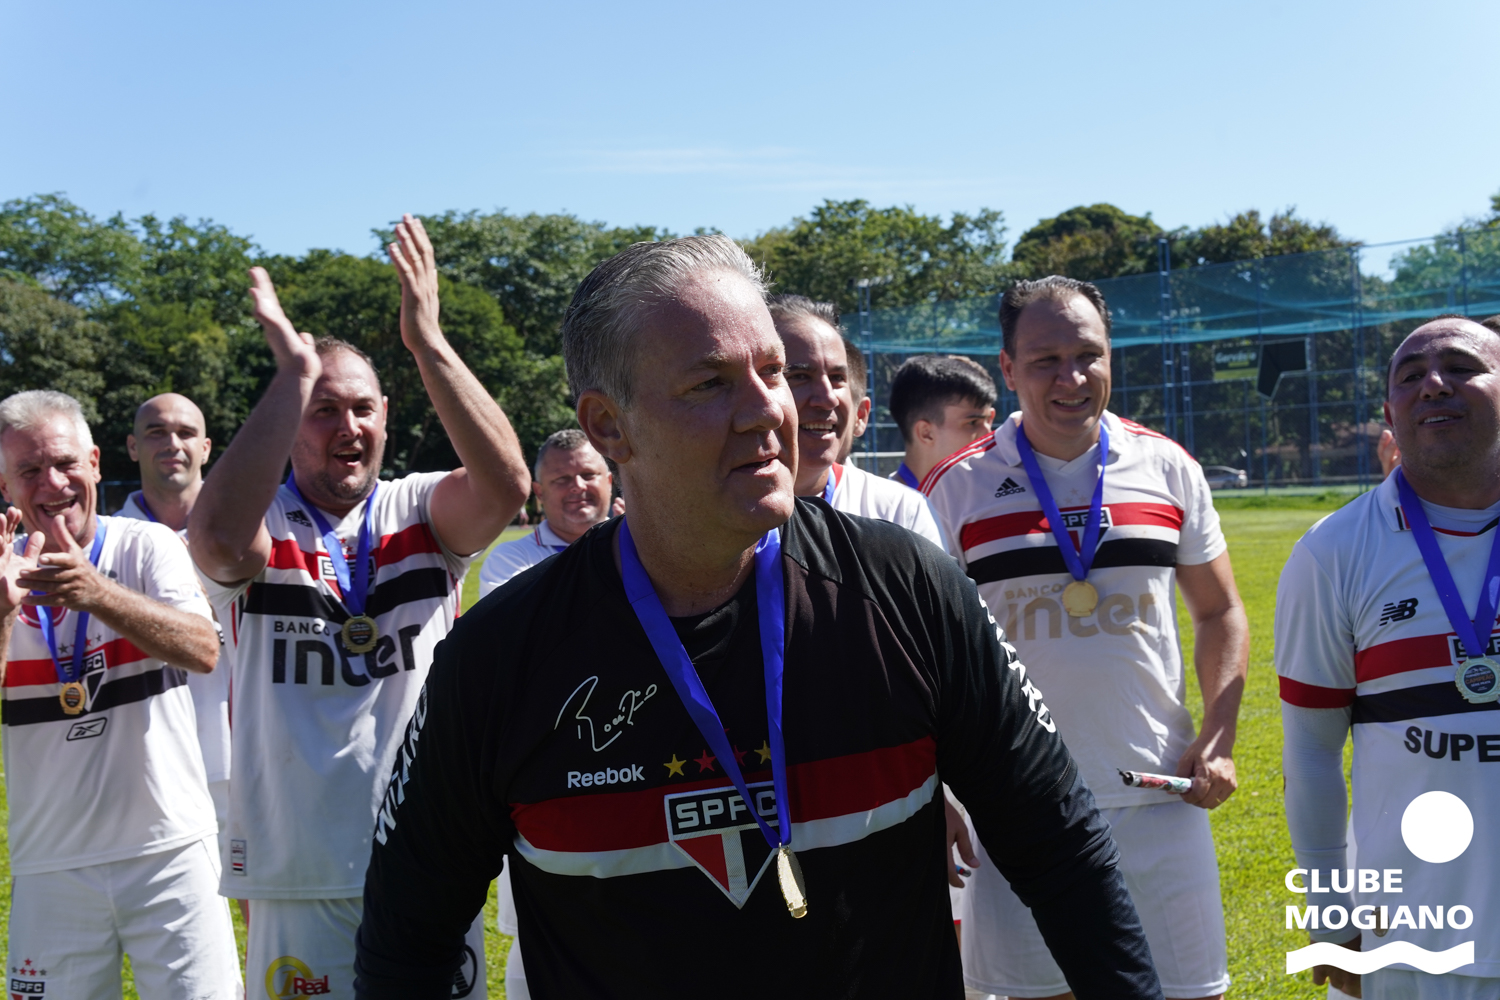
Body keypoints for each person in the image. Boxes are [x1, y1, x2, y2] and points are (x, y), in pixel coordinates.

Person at [353, 235, 1163, 1000]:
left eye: (771, 370)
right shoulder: (499, 655)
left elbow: (1059, 845)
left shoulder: (909, 589)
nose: (767, 411)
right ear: (608, 426)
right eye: (710, 383)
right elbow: (406, 941)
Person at [189, 215, 530, 1000]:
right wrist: (290, 376)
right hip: (300, 864)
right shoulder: (265, 520)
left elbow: (507, 486)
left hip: (427, 853)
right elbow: (215, 542)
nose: (348, 427)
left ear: (386, 416)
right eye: (323, 409)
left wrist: (427, 340)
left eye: (363, 409)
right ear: (290, 422)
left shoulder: (419, 508)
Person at [924, 275, 1247, 1000]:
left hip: (1158, 794)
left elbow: (1221, 609)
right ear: (1008, 368)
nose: (1071, 378)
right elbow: (923, 655)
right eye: (1046, 360)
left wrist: (1220, 735)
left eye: (1088, 355)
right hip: (1018, 806)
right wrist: (938, 788)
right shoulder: (956, 486)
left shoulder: (1167, 467)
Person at [1278, 313, 1500, 1000]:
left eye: (1461, 368)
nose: (1434, 384)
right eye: (1411, 376)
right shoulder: (1332, 552)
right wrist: (1328, 910)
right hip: (1412, 941)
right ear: (1389, 414)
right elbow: (1311, 750)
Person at [0, 390, 240, 998]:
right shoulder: (1, 574)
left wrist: (98, 592)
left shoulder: (145, 545)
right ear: (5, 486)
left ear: (95, 462)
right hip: (51, 865)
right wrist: (2, 615)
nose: (53, 483)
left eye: (65, 463)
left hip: (171, 852)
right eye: (30, 470)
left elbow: (203, 649)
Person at [119, 394, 233, 860]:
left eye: (186, 433)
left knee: (262, 897)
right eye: (156, 432)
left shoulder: (249, 527)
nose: (172, 444)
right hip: (149, 763)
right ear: (132, 447)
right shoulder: (109, 541)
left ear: (206, 448)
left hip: (245, 750)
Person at [767, 293, 944, 547]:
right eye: (800, 376)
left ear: (861, 415)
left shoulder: (901, 512)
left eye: (837, 377)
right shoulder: (716, 510)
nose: (827, 398)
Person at [478, 429, 616, 598]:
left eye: (588, 475)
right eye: (562, 478)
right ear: (539, 492)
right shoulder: (511, 558)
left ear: (609, 482)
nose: (578, 486)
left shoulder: (637, 543)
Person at [888, 355, 997, 490]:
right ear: (926, 433)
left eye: (988, 420)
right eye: (972, 423)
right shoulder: (885, 503)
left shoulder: (985, 494)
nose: (988, 435)